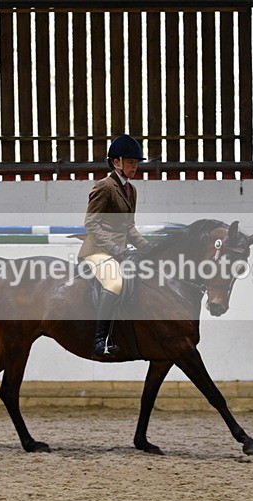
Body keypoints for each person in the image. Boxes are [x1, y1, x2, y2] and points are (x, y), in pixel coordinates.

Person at [78, 134, 150, 360]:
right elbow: (91, 223)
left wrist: (148, 247)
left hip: (119, 251)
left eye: (136, 163)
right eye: (130, 162)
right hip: (97, 251)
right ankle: (100, 340)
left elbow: (129, 228)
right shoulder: (104, 187)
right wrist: (115, 249)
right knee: (114, 281)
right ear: (116, 162)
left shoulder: (132, 190)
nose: (134, 166)